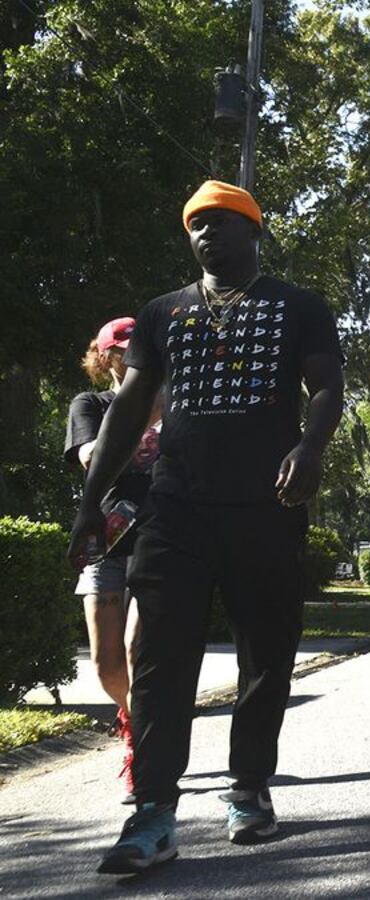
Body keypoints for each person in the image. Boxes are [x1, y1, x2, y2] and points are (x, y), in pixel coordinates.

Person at [70, 180, 342, 873]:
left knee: (266, 653)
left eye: (221, 223)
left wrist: (308, 450)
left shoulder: (300, 307)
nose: (206, 235)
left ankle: (249, 788)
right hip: (176, 510)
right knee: (160, 661)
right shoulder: (162, 313)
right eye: (196, 226)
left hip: (267, 510)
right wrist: (89, 505)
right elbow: (129, 411)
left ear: (256, 233)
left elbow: (327, 389)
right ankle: (153, 813)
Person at [65, 316, 160, 796]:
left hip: (161, 539)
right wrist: (144, 409)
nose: (129, 354)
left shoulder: (176, 402)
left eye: (137, 346)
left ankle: (142, 746)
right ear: (103, 357)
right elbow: (92, 458)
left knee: (135, 648)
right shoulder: (91, 404)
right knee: (105, 664)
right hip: (106, 540)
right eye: (120, 349)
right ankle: (132, 717)